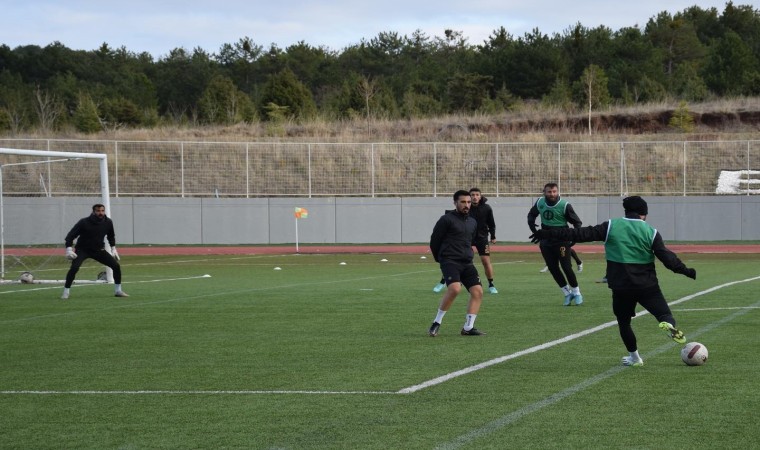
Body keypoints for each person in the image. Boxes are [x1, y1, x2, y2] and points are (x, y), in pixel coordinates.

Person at [529, 196, 696, 367]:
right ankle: (668, 324)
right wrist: (686, 271)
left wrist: (546, 233)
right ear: (644, 214)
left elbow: (579, 233)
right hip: (647, 284)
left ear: (626, 211)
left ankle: (635, 358)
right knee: (664, 314)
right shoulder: (651, 231)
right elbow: (667, 258)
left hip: (621, 285)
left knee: (624, 322)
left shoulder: (611, 226)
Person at [428, 190, 485, 336]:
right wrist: (440, 259)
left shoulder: (473, 222)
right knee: (454, 289)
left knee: (478, 292)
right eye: (463, 202)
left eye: (468, 202)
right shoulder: (446, 219)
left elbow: (470, 240)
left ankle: (468, 328)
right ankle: (436, 322)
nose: (466, 205)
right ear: (455, 203)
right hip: (450, 261)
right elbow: (435, 241)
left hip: (467, 262)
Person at [433, 187, 499, 294]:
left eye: (477, 195)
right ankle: (443, 281)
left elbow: (491, 223)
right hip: (466, 237)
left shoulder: (487, 208)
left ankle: (491, 284)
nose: (474, 197)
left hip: (481, 238)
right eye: (472, 195)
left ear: (480, 196)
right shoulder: (465, 207)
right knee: (454, 259)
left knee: (486, 261)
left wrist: (493, 236)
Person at [528, 183, 584, 306]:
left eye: (554, 191)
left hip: (561, 239)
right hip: (546, 240)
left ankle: (577, 293)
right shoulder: (540, 202)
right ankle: (567, 294)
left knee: (567, 268)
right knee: (553, 268)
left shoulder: (564, 205)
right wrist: (532, 226)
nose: (552, 194)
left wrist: (574, 237)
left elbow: (577, 222)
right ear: (544, 192)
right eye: (549, 192)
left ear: (558, 192)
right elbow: (531, 214)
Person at [61, 203, 128, 299]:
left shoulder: (108, 222)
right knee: (74, 268)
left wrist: (113, 248)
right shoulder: (84, 222)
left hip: (98, 250)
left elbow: (111, 236)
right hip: (82, 250)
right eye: (98, 211)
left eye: (102, 211)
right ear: (93, 212)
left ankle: (118, 290)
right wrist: (68, 249)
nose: (100, 213)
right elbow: (70, 236)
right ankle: (66, 292)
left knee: (116, 266)